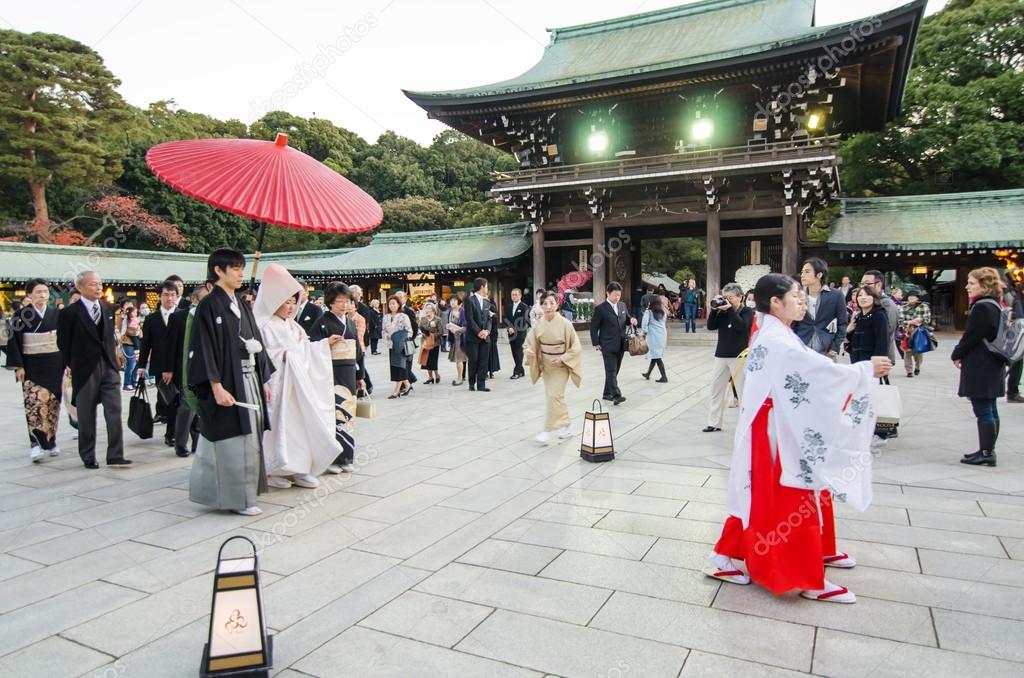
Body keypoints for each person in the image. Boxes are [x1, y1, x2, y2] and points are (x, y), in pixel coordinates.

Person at [707, 273, 892, 604]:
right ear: (775, 302)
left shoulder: (775, 331)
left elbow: (809, 369)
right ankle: (807, 578)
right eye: (795, 295)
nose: (802, 299)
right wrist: (862, 371)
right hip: (777, 432)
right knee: (790, 499)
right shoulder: (776, 338)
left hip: (775, 425)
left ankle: (727, 555)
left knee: (756, 496)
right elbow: (815, 371)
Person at [187, 249, 272, 516]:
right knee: (234, 439)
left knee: (252, 435)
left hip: (249, 377)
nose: (240, 273)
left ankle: (247, 492)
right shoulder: (209, 305)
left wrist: (264, 378)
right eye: (234, 268)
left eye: (242, 268)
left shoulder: (242, 304)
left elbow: (256, 340)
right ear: (217, 271)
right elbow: (204, 348)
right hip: (227, 379)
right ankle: (238, 498)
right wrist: (215, 385)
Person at [254, 264, 344, 489]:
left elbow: (306, 349)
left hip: (299, 387)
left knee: (302, 427)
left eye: (294, 302)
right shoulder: (263, 326)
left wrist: (323, 345)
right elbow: (263, 356)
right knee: (280, 428)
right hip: (278, 386)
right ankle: (276, 469)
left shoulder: (294, 327)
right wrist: (285, 355)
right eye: (287, 301)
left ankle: (301, 468)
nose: (291, 306)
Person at [57, 271, 131, 469]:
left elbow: (109, 338)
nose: (98, 287)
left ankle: (116, 454)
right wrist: (72, 364)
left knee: (114, 410)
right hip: (85, 368)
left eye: (99, 284)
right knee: (87, 414)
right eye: (92, 284)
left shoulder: (107, 308)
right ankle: (88, 455)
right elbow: (63, 343)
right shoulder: (69, 313)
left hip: (109, 366)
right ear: (80, 288)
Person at [953, 268, 1007, 467]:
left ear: (984, 286)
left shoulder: (982, 307)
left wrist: (956, 353)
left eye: (971, 282)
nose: (967, 286)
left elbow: (971, 336)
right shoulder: (994, 304)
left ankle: (986, 452)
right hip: (992, 363)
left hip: (981, 364)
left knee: (983, 409)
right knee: (990, 407)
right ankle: (987, 449)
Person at [6, 279, 64, 462]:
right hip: (31, 365)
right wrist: (18, 366)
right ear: (29, 295)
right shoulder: (20, 315)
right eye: (38, 292)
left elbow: (64, 341)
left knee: (52, 404)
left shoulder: (56, 314)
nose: (42, 295)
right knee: (34, 405)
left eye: (45, 292)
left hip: (54, 364)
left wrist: (68, 363)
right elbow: (13, 341)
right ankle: (35, 444)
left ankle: (51, 439)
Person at [310, 282, 364, 473]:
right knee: (333, 414)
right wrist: (326, 343)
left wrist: (360, 375)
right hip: (330, 373)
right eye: (339, 301)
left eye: (347, 301)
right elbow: (311, 348)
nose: (344, 305)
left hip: (349, 372)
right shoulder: (323, 322)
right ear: (330, 303)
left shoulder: (348, 322)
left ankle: (347, 456)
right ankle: (332, 458)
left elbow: (358, 350)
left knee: (347, 414)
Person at [525, 291, 583, 444]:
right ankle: (567, 425)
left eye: (551, 303)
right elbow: (529, 342)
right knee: (555, 396)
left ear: (557, 305)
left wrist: (563, 358)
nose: (548, 306)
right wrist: (529, 351)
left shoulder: (565, 324)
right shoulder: (539, 324)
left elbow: (576, 347)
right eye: (545, 303)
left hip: (561, 365)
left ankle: (546, 431)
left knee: (553, 395)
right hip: (547, 366)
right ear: (541, 306)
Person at [704, 283, 754, 432]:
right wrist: (714, 310)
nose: (727, 301)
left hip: (739, 356)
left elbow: (741, 327)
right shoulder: (723, 312)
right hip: (721, 355)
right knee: (716, 390)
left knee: (742, 391)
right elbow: (711, 326)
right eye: (725, 297)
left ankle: (746, 424)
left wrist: (731, 310)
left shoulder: (747, 311)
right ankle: (714, 423)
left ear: (740, 297)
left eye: (731, 298)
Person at [136, 280, 181, 448]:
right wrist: (141, 366)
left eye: (172, 295)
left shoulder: (183, 314)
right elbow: (146, 344)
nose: (169, 298)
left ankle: (174, 432)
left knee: (179, 400)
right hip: (159, 364)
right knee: (166, 399)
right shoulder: (152, 319)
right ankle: (171, 432)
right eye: (166, 294)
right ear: (159, 296)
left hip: (179, 365)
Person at [170, 284, 210, 457]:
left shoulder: (211, 316)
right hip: (185, 367)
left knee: (201, 409)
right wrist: (168, 369)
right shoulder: (179, 317)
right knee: (187, 407)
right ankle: (180, 443)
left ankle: (198, 442)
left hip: (206, 367)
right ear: (194, 299)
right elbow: (170, 346)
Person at [793, 258, 848, 360]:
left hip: (825, 349)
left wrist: (835, 347)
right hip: (801, 346)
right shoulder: (798, 295)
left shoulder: (835, 295)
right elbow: (793, 322)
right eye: (802, 272)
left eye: (807, 272)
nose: (802, 275)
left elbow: (842, 323)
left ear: (819, 275)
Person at [590, 281, 635, 405]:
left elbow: (626, 319)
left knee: (615, 371)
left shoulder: (622, 306)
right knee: (611, 370)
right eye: (615, 295)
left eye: (619, 295)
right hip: (607, 345)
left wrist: (632, 319)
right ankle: (616, 395)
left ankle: (606, 393)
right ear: (608, 293)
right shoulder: (600, 309)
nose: (617, 297)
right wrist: (596, 342)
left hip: (621, 344)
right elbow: (594, 327)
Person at [846, 285, 890, 365]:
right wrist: (848, 331)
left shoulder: (879, 315)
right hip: (857, 362)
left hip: (872, 362)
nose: (863, 298)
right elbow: (850, 343)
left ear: (874, 298)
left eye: (867, 295)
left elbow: (882, 341)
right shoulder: (858, 317)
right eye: (860, 295)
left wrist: (879, 363)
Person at [465, 277, 493, 392]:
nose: (487, 289)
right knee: (473, 360)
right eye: (486, 286)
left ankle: (481, 385)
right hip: (473, 337)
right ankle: (472, 382)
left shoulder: (487, 301)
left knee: (483, 361)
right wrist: (479, 331)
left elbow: (489, 319)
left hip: (485, 337)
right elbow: (470, 319)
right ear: (482, 287)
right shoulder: (469, 300)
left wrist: (487, 331)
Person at [382, 295, 413, 398]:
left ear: (398, 304)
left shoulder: (403, 316)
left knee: (400, 367)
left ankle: (396, 390)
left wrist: (400, 337)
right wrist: (387, 336)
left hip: (400, 345)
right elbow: (383, 330)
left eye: (394, 303)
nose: (392, 306)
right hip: (391, 345)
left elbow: (409, 331)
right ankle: (407, 385)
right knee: (395, 367)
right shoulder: (386, 317)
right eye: (390, 304)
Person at [899, 291, 933, 378]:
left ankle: (917, 366)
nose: (911, 299)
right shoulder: (904, 307)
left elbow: (927, 319)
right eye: (909, 297)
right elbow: (900, 320)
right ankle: (909, 371)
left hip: (919, 332)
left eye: (913, 297)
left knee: (918, 352)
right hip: (908, 332)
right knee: (907, 352)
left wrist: (919, 321)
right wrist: (910, 322)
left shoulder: (924, 307)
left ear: (917, 298)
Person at [351, 285, 374, 394]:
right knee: (360, 367)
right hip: (351, 345)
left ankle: (367, 385)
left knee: (360, 367)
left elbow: (364, 326)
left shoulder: (362, 308)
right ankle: (366, 385)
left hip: (360, 342)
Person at [1003, 274, 1023, 403]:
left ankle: (1013, 391)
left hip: (1017, 329)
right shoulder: (1010, 293)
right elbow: (1018, 312)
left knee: (1016, 361)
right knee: (1013, 360)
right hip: (1014, 330)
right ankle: (1012, 392)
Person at [641, 295, 669, 383]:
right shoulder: (663, 312)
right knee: (655, 355)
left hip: (653, 336)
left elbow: (644, 324)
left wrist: (644, 332)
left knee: (657, 357)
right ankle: (648, 374)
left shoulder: (648, 312)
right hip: (662, 335)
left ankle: (664, 377)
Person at [504, 288, 529, 379]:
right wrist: (509, 328)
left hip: (520, 333)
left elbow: (525, 320)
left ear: (520, 295)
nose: (514, 296)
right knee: (514, 352)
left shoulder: (524, 306)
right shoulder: (509, 306)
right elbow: (506, 318)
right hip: (510, 333)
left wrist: (515, 329)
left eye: (516, 294)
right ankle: (521, 370)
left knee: (518, 351)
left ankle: (517, 372)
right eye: (512, 295)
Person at [118, 301, 141, 392]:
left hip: (136, 343)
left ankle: (133, 381)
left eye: (131, 305)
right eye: (127, 305)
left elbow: (138, 330)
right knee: (130, 364)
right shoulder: (123, 319)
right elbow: (123, 331)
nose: (129, 307)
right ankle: (127, 384)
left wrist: (138, 332)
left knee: (136, 364)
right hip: (128, 343)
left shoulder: (135, 319)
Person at [419, 302, 443, 384]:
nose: (427, 310)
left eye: (429, 308)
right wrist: (422, 333)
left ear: (433, 310)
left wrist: (432, 336)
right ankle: (430, 377)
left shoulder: (437, 319)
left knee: (433, 360)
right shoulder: (423, 319)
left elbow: (441, 332)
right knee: (426, 360)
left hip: (435, 343)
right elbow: (420, 329)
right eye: (426, 308)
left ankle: (437, 375)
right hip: (425, 342)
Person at [447, 297, 468, 386]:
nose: (452, 302)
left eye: (454, 301)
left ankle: (460, 378)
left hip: (461, 338)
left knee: (459, 359)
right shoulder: (450, 312)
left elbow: (465, 326)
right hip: (454, 338)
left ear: (459, 303)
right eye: (451, 300)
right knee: (457, 359)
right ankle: (460, 376)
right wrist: (449, 327)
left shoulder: (462, 311)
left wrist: (456, 328)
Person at [487, 296, 501, 379]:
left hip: (491, 334)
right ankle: (487, 371)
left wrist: (495, 336)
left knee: (491, 353)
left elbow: (495, 322)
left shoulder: (492, 307)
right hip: (486, 333)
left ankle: (491, 371)